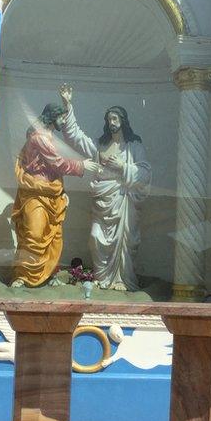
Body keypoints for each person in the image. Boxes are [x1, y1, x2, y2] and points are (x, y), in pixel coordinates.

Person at [59, 85, 152, 291]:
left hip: (123, 200)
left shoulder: (134, 146)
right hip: (103, 201)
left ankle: (121, 279)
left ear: (123, 121)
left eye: (115, 119)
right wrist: (68, 104)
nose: (111, 123)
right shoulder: (99, 145)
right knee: (95, 237)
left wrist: (123, 167)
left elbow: (145, 174)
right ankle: (102, 278)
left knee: (125, 245)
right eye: (109, 119)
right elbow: (75, 137)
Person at [10, 102, 93, 288]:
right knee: (35, 233)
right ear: (52, 116)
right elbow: (57, 164)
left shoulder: (48, 136)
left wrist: (61, 191)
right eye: (61, 117)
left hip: (52, 191)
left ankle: (48, 274)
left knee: (53, 234)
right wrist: (82, 165)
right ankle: (23, 276)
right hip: (36, 191)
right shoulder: (39, 137)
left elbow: (53, 168)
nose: (63, 121)